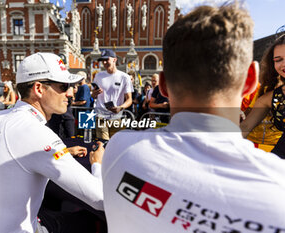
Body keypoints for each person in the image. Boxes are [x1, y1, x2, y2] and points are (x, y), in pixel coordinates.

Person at [99, 4, 285, 232]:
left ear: (164, 85)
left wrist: (96, 167)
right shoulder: (278, 187)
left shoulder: (120, 148)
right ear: (250, 81)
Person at [0, 53, 104, 233]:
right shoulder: (36, 133)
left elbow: (18, 155)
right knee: (87, 221)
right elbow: (100, 199)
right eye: (64, 86)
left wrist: (64, 152)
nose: (70, 93)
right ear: (39, 89)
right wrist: (97, 164)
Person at [241, 34, 285, 158]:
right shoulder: (271, 98)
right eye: (278, 59)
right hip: (279, 165)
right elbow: (245, 126)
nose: (283, 64)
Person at [92, 49, 133, 140]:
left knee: (116, 144)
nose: (105, 62)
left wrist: (121, 107)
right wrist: (94, 94)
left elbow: (129, 99)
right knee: (103, 143)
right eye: (103, 60)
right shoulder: (98, 76)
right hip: (101, 116)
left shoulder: (124, 77)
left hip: (117, 118)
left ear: (114, 60)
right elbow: (93, 96)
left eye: (107, 60)